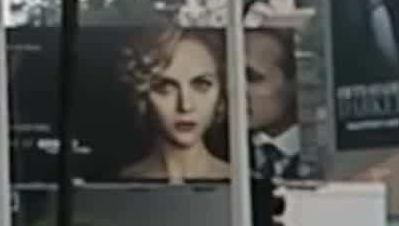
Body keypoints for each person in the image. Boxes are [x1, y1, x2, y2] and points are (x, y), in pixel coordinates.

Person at [118, 26, 232, 183]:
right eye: (165, 88)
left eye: (201, 85)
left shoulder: (242, 184)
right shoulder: (121, 182)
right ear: (142, 94)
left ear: (221, 92)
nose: (185, 105)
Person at [246, 29, 307, 179]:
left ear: (295, 82)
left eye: (252, 77)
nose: (233, 90)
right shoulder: (223, 153)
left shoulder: (326, 155)